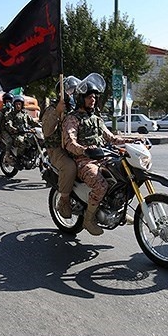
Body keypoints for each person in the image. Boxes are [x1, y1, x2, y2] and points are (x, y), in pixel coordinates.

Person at [62, 80, 132, 236]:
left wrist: (132, 141)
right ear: (81, 98)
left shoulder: (96, 119)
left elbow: (111, 138)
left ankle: (118, 209)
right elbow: (70, 142)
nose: (92, 99)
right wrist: (84, 150)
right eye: (89, 97)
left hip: (103, 156)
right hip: (83, 160)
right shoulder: (72, 119)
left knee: (125, 175)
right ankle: (88, 219)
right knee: (100, 185)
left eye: (94, 97)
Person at [42, 76, 80, 218]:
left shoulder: (77, 109)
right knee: (69, 167)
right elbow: (47, 131)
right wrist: (57, 112)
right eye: (70, 90)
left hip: (76, 148)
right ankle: (64, 201)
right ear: (61, 93)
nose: (73, 93)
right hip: (57, 149)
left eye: (75, 90)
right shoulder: (52, 109)